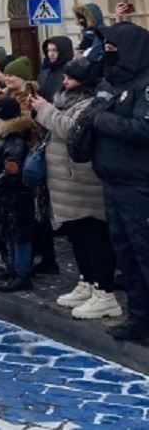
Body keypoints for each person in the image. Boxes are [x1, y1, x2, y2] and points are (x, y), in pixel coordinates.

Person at [30, 58, 121, 320]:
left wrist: (45, 110)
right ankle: (87, 282)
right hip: (65, 182)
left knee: (94, 236)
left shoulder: (91, 103)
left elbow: (72, 130)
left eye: (70, 78)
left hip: (82, 181)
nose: (64, 81)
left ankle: (104, 293)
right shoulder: (65, 100)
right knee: (77, 233)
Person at [83, 22, 149, 341]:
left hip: (139, 185)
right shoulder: (112, 82)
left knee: (144, 253)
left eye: (112, 48)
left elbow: (143, 128)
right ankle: (138, 317)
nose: (107, 53)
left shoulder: (145, 84)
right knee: (127, 256)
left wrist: (102, 120)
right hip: (113, 182)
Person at [0, 97, 40, 293]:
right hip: (7, 196)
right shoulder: (5, 137)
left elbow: (12, 169)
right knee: (10, 234)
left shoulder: (14, 140)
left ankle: (21, 274)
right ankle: (12, 269)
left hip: (16, 196)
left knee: (19, 236)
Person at [37, 36, 74, 101]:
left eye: (55, 50)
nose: (51, 54)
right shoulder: (44, 74)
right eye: (48, 50)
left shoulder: (73, 74)